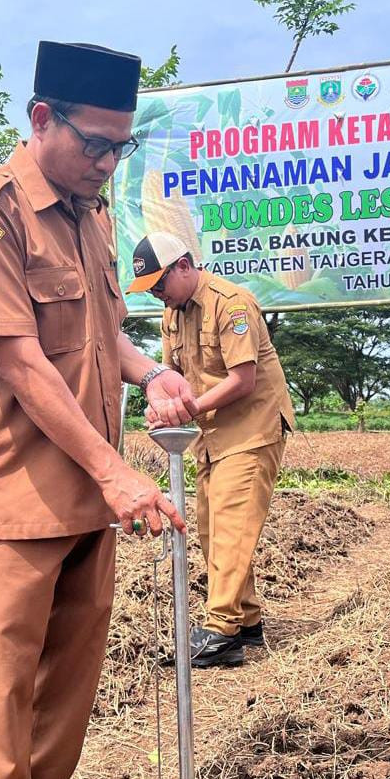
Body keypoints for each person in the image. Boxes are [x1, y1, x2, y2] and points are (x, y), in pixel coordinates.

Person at [0, 41, 198, 779]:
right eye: (94, 143)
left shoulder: (92, 215)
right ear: (41, 119)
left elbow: (100, 335)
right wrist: (116, 472)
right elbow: (19, 361)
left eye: (120, 146)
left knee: (69, 686)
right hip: (15, 494)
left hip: (92, 495)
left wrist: (152, 371)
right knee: (2, 693)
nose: (107, 162)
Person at [126, 232, 297, 668]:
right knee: (208, 526)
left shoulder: (231, 303)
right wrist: (163, 406)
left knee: (231, 524)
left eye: (161, 284)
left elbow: (243, 380)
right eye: (151, 291)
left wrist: (187, 410)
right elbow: (169, 376)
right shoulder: (172, 315)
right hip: (211, 434)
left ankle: (221, 630)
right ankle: (247, 619)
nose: (159, 296)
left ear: (184, 265)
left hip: (252, 428)